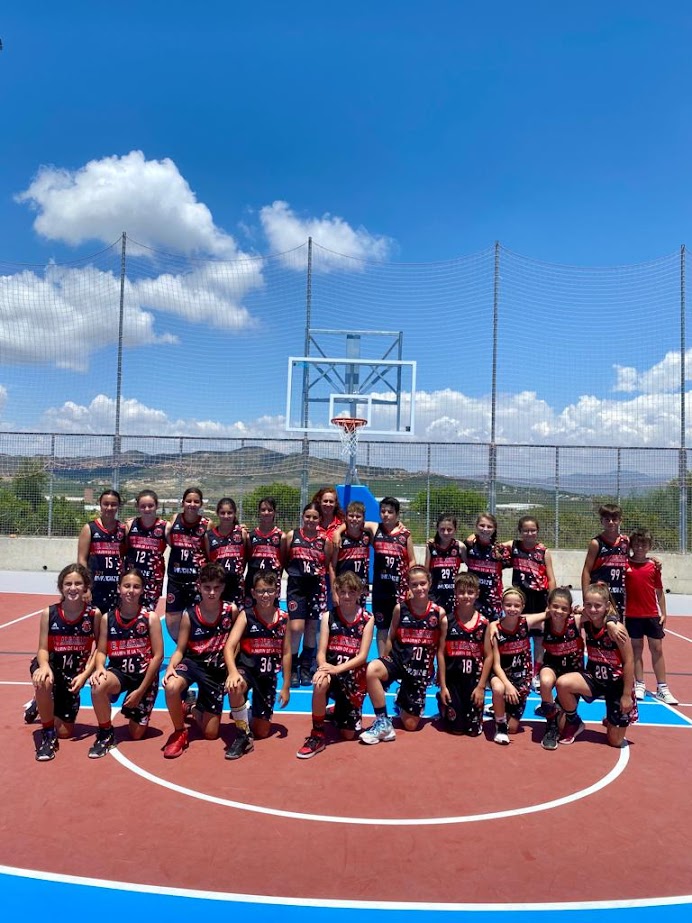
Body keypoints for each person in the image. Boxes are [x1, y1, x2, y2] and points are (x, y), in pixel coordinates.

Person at [360, 565, 446, 744]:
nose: (419, 588)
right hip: (398, 660)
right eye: (414, 584)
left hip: (419, 669)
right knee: (372, 669)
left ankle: (402, 697)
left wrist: (440, 674)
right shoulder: (400, 608)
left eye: (422, 583)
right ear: (408, 586)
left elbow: (440, 649)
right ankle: (383, 722)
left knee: (411, 725)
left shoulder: (438, 613)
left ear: (429, 584)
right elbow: (390, 637)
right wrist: (384, 661)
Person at [161, 563, 238, 758]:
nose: (212, 592)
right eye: (207, 587)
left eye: (216, 588)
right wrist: (170, 667)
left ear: (223, 587)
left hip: (216, 670)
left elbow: (236, 643)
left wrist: (232, 669)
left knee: (211, 734)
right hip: (193, 663)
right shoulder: (190, 614)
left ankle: (192, 708)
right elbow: (180, 649)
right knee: (171, 686)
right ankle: (179, 732)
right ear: (199, 586)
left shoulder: (231, 610)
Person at [296, 571, 375, 759]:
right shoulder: (328, 616)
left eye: (351, 592)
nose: (347, 596)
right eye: (343, 592)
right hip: (331, 672)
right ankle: (317, 734)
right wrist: (324, 668)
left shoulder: (367, 618)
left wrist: (337, 669)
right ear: (337, 593)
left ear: (359, 593)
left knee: (348, 735)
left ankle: (338, 709)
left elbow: (363, 656)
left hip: (352, 677)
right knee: (320, 682)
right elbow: (321, 652)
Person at [88, 567, 164, 758]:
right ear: (119, 588)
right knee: (98, 684)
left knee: (136, 734)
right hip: (119, 673)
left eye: (136, 587)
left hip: (143, 678)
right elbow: (101, 651)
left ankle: (133, 700)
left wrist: (140, 691)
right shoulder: (108, 618)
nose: (131, 590)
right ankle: (105, 733)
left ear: (142, 590)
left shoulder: (150, 618)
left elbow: (158, 657)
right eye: (127, 586)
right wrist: (99, 668)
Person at [30, 564, 101, 761]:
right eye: (68, 583)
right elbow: (42, 649)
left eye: (78, 583)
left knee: (65, 732)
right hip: (52, 666)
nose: (73, 588)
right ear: (61, 587)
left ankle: (42, 703)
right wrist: (44, 666)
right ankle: (47, 736)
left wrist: (85, 675)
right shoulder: (49, 613)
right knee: (43, 681)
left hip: (73, 673)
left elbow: (99, 649)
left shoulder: (93, 614)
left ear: (86, 586)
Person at [555, 583, 637, 748]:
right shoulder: (587, 621)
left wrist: (627, 695)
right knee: (562, 683)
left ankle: (611, 719)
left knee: (615, 742)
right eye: (589, 605)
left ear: (607, 606)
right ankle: (574, 721)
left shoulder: (617, 629)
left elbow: (629, 661)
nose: (593, 609)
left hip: (616, 684)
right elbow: (569, 612)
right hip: (594, 678)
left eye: (598, 606)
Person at [223, 571, 291, 760]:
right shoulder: (246, 615)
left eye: (269, 591)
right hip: (247, 670)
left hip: (267, 677)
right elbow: (229, 647)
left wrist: (286, 685)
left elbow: (286, 653)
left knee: (262, 731)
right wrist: (232, 672)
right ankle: (242, 736)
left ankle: (245, 711)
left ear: (277, 592)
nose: (265, 595)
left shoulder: (284, 618)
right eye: (260, 591)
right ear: (253, 593)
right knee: (235, 686)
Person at [625, 528, 677, 705]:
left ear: (649, 546)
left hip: (652, 614)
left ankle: (662, 687)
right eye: (637, 544)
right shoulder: (625, 565)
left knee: (657, 649)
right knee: (636, 649)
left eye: (644, 544)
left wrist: (664, 612)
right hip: (632, 615)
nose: (640, 547)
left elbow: (659, 591)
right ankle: (639, 684)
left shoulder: (653, 566)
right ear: (632, 545)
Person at [437, 572, 493, 737]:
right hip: (453, 679)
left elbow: (489, 656)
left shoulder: (484, 623)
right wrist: (443, 686)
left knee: (473, 731)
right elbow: (440, 653)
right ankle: (442, 701)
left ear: (477, 594)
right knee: (456, 730)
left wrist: (481, 687)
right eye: (461, 592)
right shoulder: (447, 620)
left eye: (470, 592)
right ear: (455, 593)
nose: (466, 596)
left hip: (473, 681)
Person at [505, 517, 556, 689]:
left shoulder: (543, 551)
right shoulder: (514, 546)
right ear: (520, 532)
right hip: (520, 598)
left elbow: (551, 578)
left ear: (537, 531)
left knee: (539, 638)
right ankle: (518, 671)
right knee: (519, 636)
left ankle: (536, 673)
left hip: (540, 597)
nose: (529, 533)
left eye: (533, 530)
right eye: (526, 530)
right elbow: (493, 545)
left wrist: (551, 601)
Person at [285, 502, 332, 687]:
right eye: (308, 516)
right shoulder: (292, 536)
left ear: (319, 519)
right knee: (296, 628)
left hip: (315, 586)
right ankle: (292, 667)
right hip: (296, 586)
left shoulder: (324, 541)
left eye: (315, 517)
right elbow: (284, 558)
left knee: (312, 628)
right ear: (302, 517)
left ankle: (305, 667)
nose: (311, 520)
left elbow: (326, 564)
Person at [371, 496, 416, 655]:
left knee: (401, 626)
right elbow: (352, 522)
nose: (386, 515)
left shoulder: (405, 534)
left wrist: (411, 585)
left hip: (399, 590)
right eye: (383, 511)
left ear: (397, 514)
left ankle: (399, 659)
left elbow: (411, 560)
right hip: (380, 591)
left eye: (390, 512)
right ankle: (383, 660)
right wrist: (338, 532)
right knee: (382, 627)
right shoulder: (375, 529)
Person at [165, 487, 210, 642]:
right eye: (189, 501)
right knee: (172, 619)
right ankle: (181, 648)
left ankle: (195, 647)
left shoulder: (207, 524)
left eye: (196, 501)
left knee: (197, 617)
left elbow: (210, 551)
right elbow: (169, 542)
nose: (192, 504)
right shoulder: (175, 519)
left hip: (196, 580)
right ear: (182, 503)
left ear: (201, 504)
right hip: (176, 579)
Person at [489, 587, 532, 744]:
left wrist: (577, 611)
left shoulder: (526, 622)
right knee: (498, 688)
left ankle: (498, 708)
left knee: (513, 728)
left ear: (523, 607)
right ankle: (500, 725)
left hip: (521, 678)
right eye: (508, 605)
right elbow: (496, 665)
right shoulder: (496, 630)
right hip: (502, 676)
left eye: (516, 605)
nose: (512, 609)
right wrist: (508, 685)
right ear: (501, 605)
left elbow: (550, 613)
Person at [77, 488, 126, 616]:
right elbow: (82, 560)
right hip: (95, 586)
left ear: (118, 506)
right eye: (106, 504)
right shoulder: (90, 528)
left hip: (116, 587)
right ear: (100, 504)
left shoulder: (123, 529)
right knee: (94, 623)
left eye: (113, 504)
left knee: (114, 623)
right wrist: (85, 587)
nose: (109, 508)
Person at [581, 503, 629, 619]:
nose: (611, 522)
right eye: (607, 519)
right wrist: (586, 598)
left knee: (617, 626)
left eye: (614, 519)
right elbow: (586, 571)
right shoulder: (596, 543)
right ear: (601, 521)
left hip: (619, 594)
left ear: (620, 521)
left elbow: (635, 559)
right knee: (598, 627)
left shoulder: (626, 541)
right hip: (600, 594)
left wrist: (652, 560)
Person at [124, 489, 167, 611]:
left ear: (157, 506)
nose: (147, 509)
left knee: (148, 614)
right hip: (132, 578)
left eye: (150, 505)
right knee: (129, 611)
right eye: (143, 506)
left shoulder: (165, 527)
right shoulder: (130, 525)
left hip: (153, 580)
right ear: (137, 507)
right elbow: (122, 549)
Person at [463, 512, 510, 622]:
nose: (485, 529)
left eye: (489, 526)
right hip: (472, 595)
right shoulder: (468, 545)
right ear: (476, 526)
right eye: (482, 525)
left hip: (493, 598)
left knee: (492, 627)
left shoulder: (500, 549)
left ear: (494, 529)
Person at [329, 500, 374, 608]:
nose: (354, 519)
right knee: (341, 616)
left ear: (363, 518)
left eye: (358, 516)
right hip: (343, 586)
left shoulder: (367, 535)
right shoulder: (339, 538)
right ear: (346, 517)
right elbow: (332, 566)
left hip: (360, 586)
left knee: (359, 616)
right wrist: (334, 591)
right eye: (351, 516)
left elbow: (379, 526)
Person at [204, 497, 248, 607]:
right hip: (217, 584)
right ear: (217, 513)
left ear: (235, 513)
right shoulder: (209, 536)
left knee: (236, 612)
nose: (226, 516)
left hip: (237, 584)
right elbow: (209, 559)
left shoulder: (241, 533)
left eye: (230, 513)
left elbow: (245, 558)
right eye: (223, 513)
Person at [244, 496, 285, 606]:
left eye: (270, 510)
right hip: (253, 581)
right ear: (259, 512)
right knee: (251, 611)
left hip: (272, 581)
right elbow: (247, 558)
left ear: (275, 512)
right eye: (263, 510)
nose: (266, 513)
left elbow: (283, 562)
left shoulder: (281, 536)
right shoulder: (250, 536)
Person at [425, 514, 463, 617]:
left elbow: (471, 566)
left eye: (449, 529)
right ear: (437, 529)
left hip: (453, 594)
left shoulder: (460, 547)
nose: (446, 533)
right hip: (435, 593)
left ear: (455, 529)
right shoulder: (431, 546)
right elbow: (426, 572)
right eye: (442, 529)